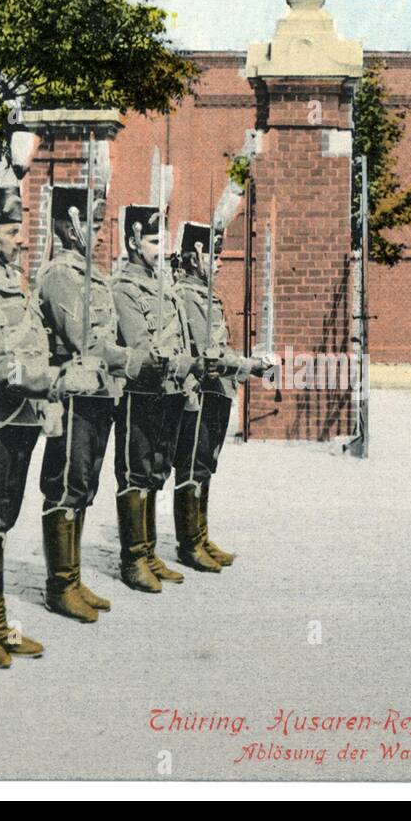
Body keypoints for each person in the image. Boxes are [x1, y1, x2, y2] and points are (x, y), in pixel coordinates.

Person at [0, 185, 97, 666]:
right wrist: (55, 379)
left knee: (0, 524)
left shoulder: (13, 283)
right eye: (12, 231)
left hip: (19, 423)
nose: (21, 240)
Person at [36, 186, 151, 620]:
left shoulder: (91, 273)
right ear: (68, 226)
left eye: (103, 224)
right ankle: (59, 585)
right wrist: (137, 360)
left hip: (99, 394)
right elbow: (87, 340)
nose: (101, 234)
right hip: (74, 395)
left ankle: (72, 578)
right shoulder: (63, 274)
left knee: (83, 485)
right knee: (66, 485)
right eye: (93, 224)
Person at [170, 221, 273, 571]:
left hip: (216, 389)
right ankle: (188, 544)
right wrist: (249, 365)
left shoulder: (205, 293)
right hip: (198, 392)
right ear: (196, 256)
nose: (220, 262)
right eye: (214, 254)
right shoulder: (187, 294)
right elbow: (209, 353)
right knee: (192, 465)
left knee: (205, 465)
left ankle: (199, 537)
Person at [110, 203, 201, 593]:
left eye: (162, 239)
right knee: (135, 472)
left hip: (169, 392)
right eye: (152, 240)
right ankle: (132, 558)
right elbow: (139, 345)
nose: (161, 247)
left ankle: (148, 551)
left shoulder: (163, 287)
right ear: (132, 240)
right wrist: (183, 364)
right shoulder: (123, 288)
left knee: (157, 472)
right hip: (141, 393)